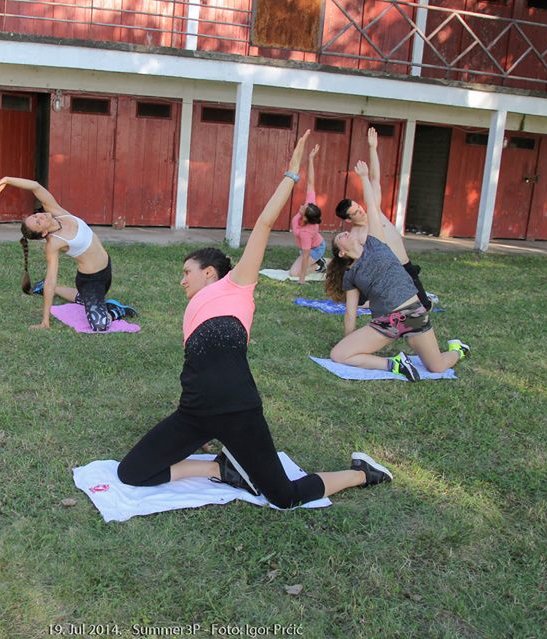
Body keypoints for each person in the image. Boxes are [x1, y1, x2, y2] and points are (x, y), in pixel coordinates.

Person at [117, 131, 393, 508]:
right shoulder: (193, 311)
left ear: (210, 272)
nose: (182, 280)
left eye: (187, 272)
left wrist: (291, 175)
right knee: (131, 472)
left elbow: (263, 224)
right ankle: (220, 469)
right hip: (195, 411)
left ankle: (363, 472)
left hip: (237, 409)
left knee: (283, 497)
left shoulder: (235, 286)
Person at [326, 159, 470, 382]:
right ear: (342, 253)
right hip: (388, 321)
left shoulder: (375, 242)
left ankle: (458, 350)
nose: (345, 234)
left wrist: (364, 178)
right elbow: (350, 313)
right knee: (338, 354)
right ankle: (395, 364)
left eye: (343, 232)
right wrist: (349, 339)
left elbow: (372, 207)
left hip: (412, 313)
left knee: (437, 367)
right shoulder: (350, 275)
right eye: (340, 238)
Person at [0, 178, 136, 331]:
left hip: (107, 268)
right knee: (100, 325)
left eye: (35, 216)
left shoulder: (57, 212)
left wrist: (7, 180)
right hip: (90, 281)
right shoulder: (54, 243)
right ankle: (115, 310)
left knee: (86, 300)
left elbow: (36, 187)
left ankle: (50, 289)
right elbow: (51, 280)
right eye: (38, 222)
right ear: (43, 233)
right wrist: (45, 321)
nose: (40, 217)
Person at [334, 127, 432, 310]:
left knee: (423, 307)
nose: (361, 211)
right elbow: (354, 259)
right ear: (348, 220)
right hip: (383, 274)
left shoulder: (375, 213)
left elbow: (375, 179)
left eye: (358, 207)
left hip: (404, 267)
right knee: (368, 303)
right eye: (355, 213)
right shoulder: (354, 235)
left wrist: (373, 148)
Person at [288, 143, 327, 284]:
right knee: (298, 266)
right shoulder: (311, 208)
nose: (303, 205)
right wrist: (311, 159)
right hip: (308, 246)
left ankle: (320, 264)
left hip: (315, 249)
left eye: (304, 207)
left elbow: (305, 256)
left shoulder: (306, 232)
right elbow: (311, 182)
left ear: (305, 217)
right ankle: (318, 262)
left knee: (294, 273)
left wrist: (302, 279)